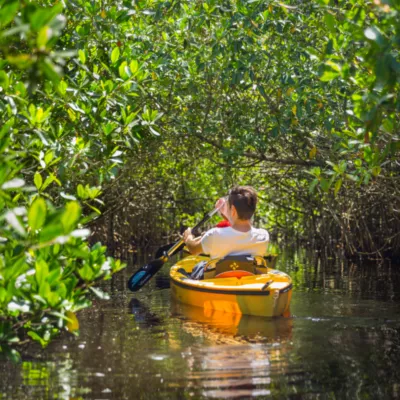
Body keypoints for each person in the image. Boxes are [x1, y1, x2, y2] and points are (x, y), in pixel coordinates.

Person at [183, 186, 269, 274]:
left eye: (228, 207)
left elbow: (193, 249)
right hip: (248, 280)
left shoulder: (214, 235)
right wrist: (228, 212)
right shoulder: (263, 236)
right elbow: (239, 227)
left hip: (217, 281)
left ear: (233, 210)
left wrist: (188, 237)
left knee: (199, 266)